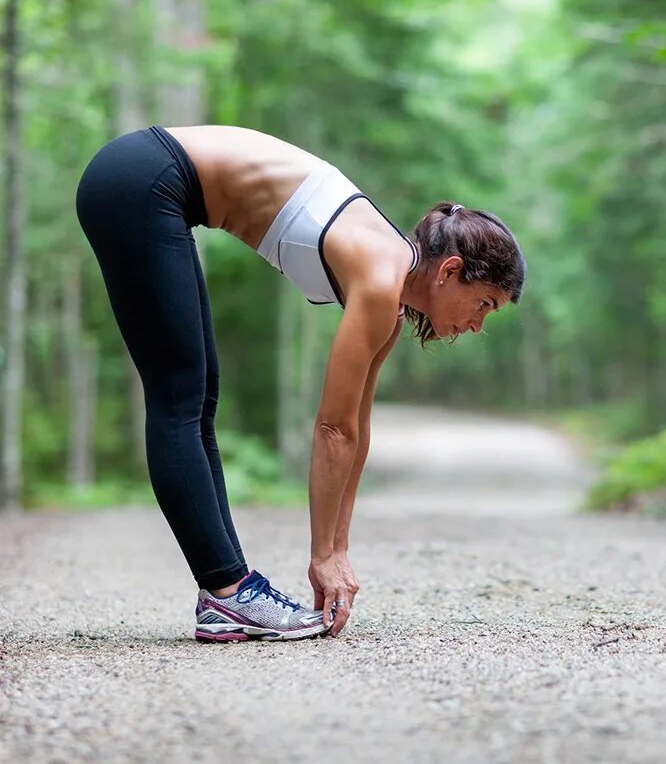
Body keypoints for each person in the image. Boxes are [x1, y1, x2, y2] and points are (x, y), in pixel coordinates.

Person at [75, 125, 526, 642]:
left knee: (197, 398)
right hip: (143, 178)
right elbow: (331, 429)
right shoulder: (381, 279)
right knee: (180, 396)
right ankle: (226, 593)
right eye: (484, 304)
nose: (478, 324)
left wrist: (337, 551)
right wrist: (320, 558)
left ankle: (227, 593)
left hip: (152, 184)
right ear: (449, 270)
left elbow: (356, 427)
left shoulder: (391, 296)